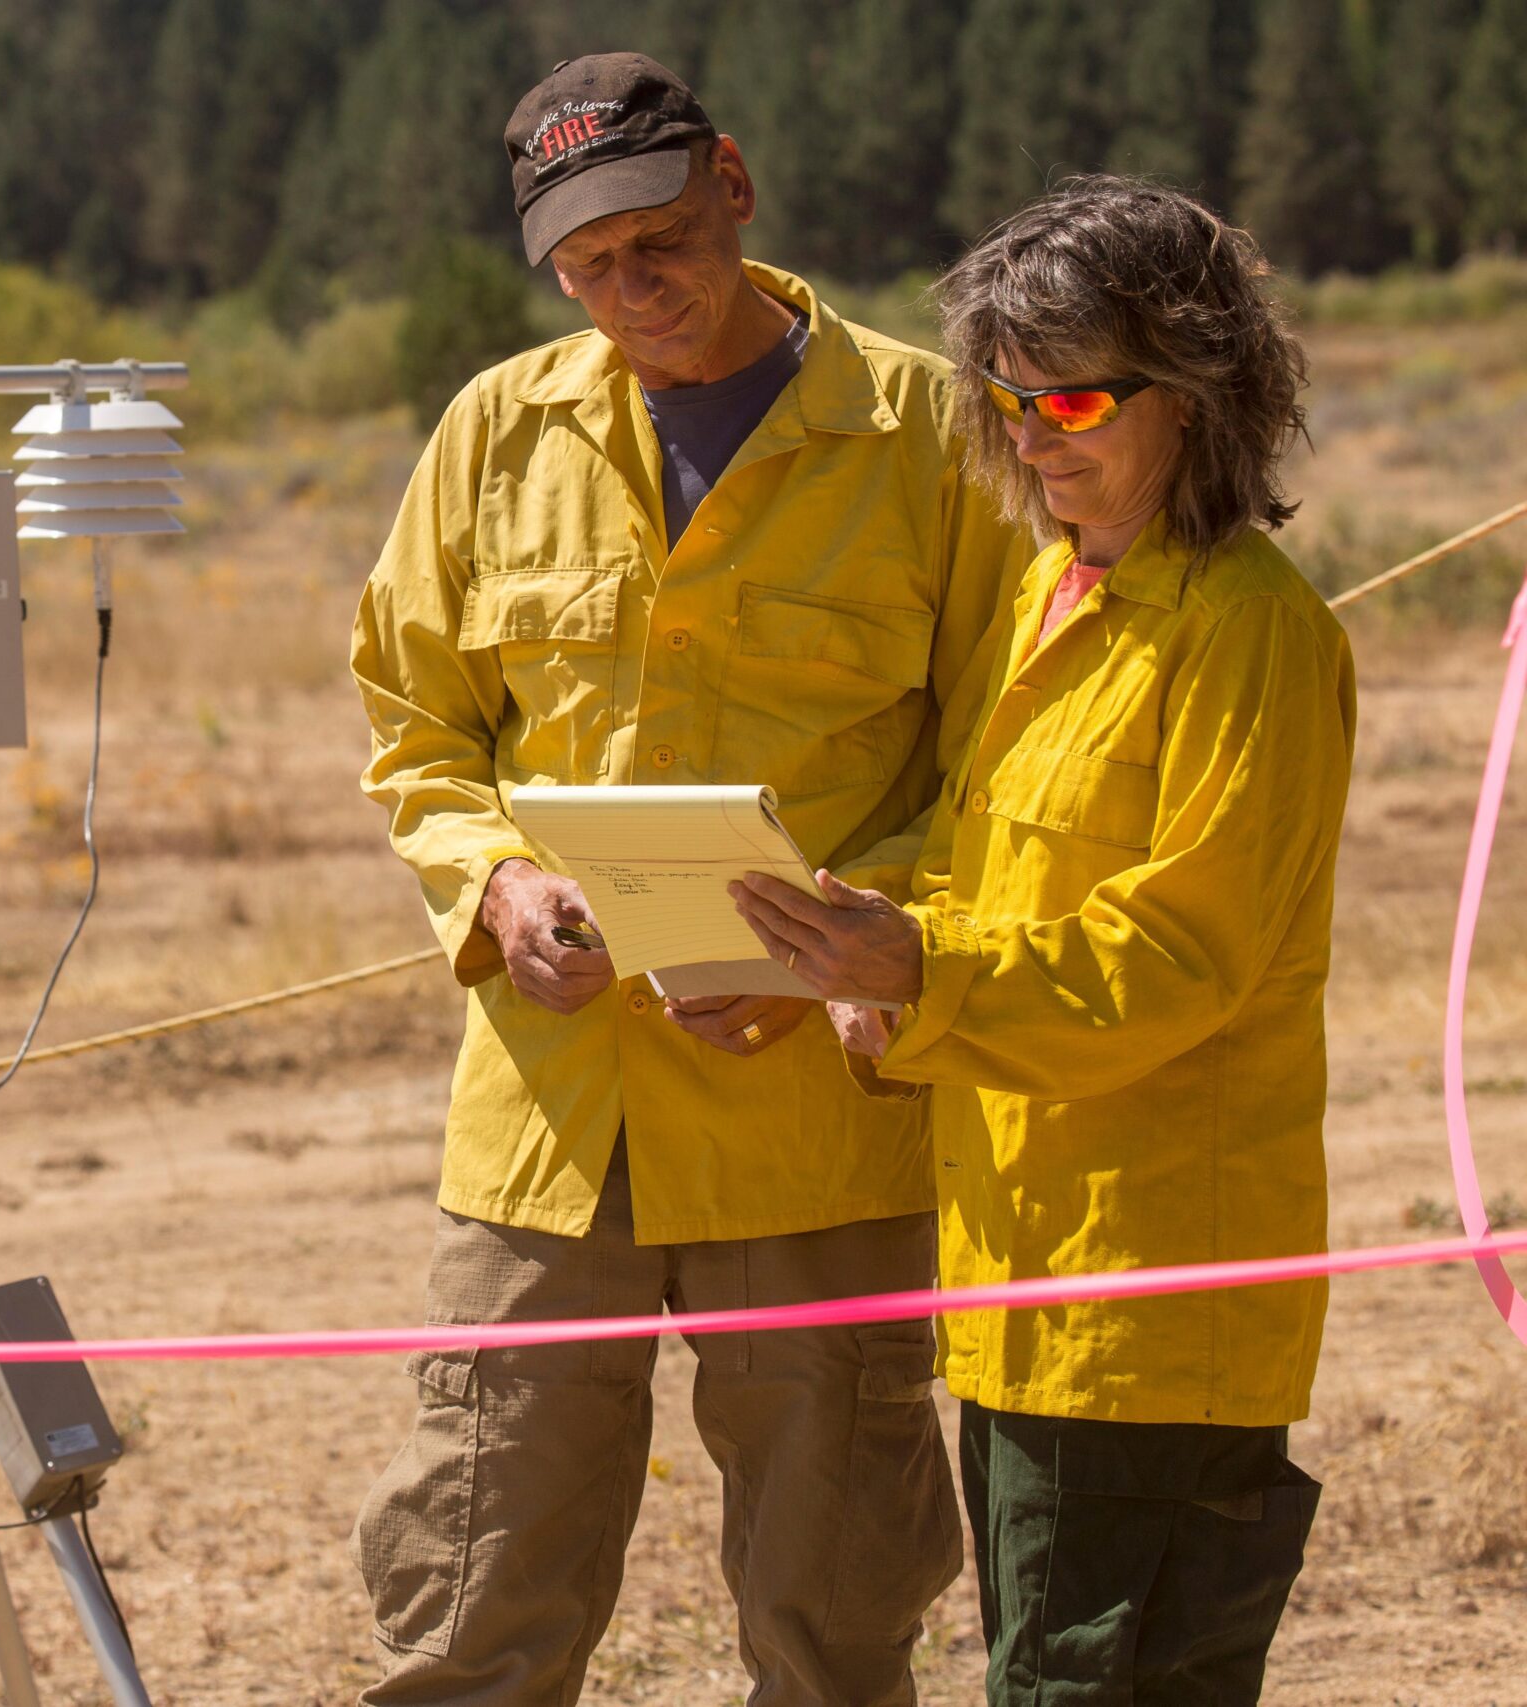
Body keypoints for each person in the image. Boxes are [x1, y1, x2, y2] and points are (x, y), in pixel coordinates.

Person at [347, 51, 1022, 1706]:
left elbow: (1008, 769)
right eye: (585, 268)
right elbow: (418, 733)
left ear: (734, 181)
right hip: (550, 1117)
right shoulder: (495, 430)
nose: (630, 292)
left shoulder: (932, 434)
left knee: (833, 1614)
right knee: (471, 1592)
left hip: (818, 1122)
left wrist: (835, 949)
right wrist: (496, 887)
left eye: (658, 242)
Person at [730, 175, 1351, 1705]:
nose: (1028, 438)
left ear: (1198, 395)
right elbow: (976, 853)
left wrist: (923, 976)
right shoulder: (1056, 592)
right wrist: (848, 939)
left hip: (1152, 1304)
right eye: (1003, 402)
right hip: (1019, 1283)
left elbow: (1176, 958)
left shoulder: (1251, 631)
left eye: (1069, 397)